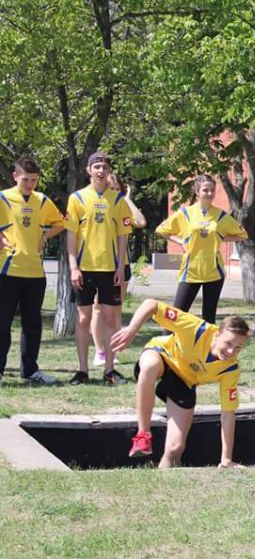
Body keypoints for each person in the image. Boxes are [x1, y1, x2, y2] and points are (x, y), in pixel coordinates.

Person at [110, 298, 251, 468]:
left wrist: (226, 459)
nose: (231, 351)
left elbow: (228, 414)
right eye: (228, 343)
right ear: (217, 334)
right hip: (163, 356)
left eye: (238, 348)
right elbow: (151, 304)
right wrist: (131, 330)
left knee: (175, 449)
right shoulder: (195, 328)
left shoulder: (230, 369)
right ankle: (143, 434)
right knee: (149, 366)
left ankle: (163, 487)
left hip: (184, 381)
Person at [64, 152, 133, 385]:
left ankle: (110, 370)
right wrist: (74, 267)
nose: (101, 171)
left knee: (111, 319)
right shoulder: (77, 198)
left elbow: (124, 236)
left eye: (104, 167)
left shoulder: (118, 200)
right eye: (97, 167)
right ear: (88, 170)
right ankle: (83, 370)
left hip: (110, 268)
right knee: (83, 319)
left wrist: (120, 267)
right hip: (85, 268)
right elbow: (71, 236)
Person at [0, 157, 64, 384]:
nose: (30, 184)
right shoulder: (3, 198)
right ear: (15, 175)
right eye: (26, 179)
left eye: (34, 180)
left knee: (33, 325)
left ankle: (30, 370)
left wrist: (45, 235)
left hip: (35, 272)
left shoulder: (42, 200)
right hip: (7, 270)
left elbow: (60, 222)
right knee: (2, 324)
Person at [156, 174, 247, 324]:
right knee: (176, 316)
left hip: (213, 272)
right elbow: (162, 230)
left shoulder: (221, 216)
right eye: (205, 190)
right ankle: (167, 346)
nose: (210, 194)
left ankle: (209, 348)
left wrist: (219, 237)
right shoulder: (185, 213)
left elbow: (242, 235)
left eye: (212, 190)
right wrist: (180, 242)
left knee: (209, 320)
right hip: (190, 271)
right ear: (197, 192)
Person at [91, 173, 146, 367]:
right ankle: (99, 351)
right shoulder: (99, 203)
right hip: (98, 264)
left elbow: (140, 222)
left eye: (117, 189)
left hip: (120, 265)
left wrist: (127, 199)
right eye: (110, 188)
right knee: (97, 309)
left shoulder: (121, 205)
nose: (113, 191)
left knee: (115, 310)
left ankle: (111, 350)